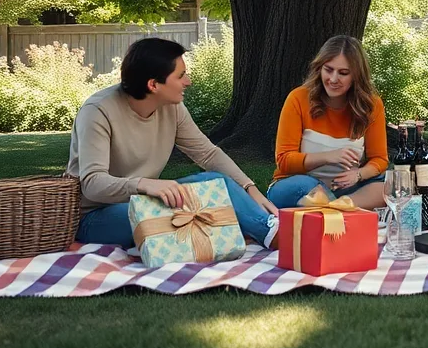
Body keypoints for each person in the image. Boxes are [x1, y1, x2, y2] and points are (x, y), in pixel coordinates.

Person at [68, 37, 278, 248]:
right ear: (153, 85)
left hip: (147, 203)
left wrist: (250, 189)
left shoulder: (172, 107)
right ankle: (260, 232)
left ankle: (270, 232)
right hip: (95, 216)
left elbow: (208, 154)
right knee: (173, 214)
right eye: (180, 76)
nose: (188, 81)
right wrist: (144, 184)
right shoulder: (97, 112)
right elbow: (92, 184)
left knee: (216, 182)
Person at [265, 35, 388, 209]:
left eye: (343, 73)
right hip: (298, 185)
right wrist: (328, 157)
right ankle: (341, 210)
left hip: (345, 188)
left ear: (357, 76)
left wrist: (358, 174)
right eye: (328, 70)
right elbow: (284, 161)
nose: (333, 79)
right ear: (319, 68)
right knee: (310, 188)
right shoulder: (298, 98)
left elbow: (380, 159)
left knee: (389, 188)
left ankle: (336, 208)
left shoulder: (372, 105)